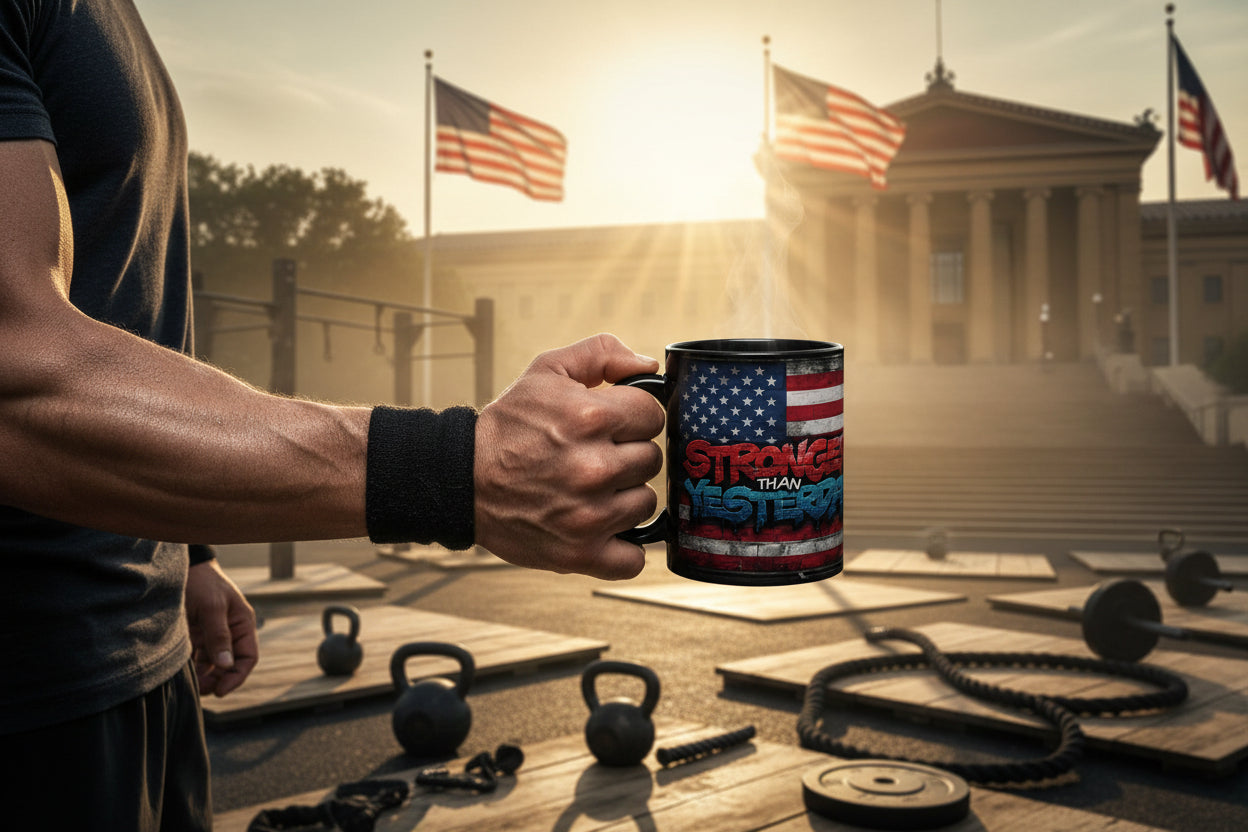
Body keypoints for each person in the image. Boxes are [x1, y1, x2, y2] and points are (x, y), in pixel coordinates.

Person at [0, 2, 664, 829]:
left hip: (144, 651)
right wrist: (455, 469)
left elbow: (122, 293)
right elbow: (14, 372)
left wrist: (186, 553)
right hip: (28, 689)